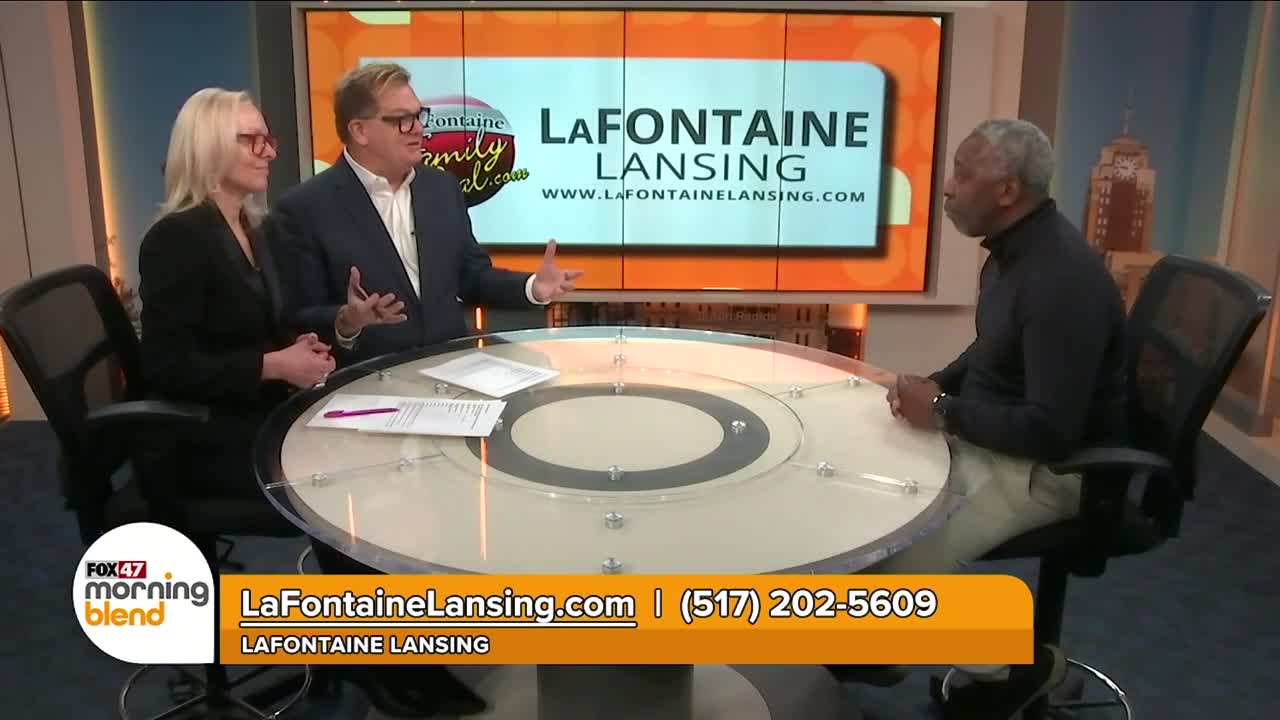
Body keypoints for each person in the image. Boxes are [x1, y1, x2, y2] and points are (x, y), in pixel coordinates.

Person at [860, 119, 1128, 719]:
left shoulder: (1060, 280)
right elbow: (992, 350)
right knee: (866, 518)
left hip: (1052, 469)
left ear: (1007, 190)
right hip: (994, 439)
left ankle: (1022, 666)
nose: (947, 188)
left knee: (885, 582)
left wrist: (943, 412)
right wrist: (938, 385)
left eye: (963, 173)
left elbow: (1051, 430)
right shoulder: (1010, 253)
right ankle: (889, 647)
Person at [268, 62, 582, 366]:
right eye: (402, 120)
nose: (419, 128)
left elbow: (471, 276)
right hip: (365, 380)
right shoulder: (304, 209)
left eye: (419, 115)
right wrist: (346, 320)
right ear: (360, 130)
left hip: (452, 370)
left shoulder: (441, 188)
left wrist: (532, 287)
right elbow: (297, 318)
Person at [138, 88, 335, 516]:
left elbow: (254, 325)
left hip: (257, 411)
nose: (269, 152)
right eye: (252, 141)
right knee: (341, 480)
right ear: (208, 147)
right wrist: (273, 365)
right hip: (205, 434)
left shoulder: (253, 227)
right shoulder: (176, 239)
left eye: (268, 139)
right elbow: (165, 366)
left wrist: (299, 348)